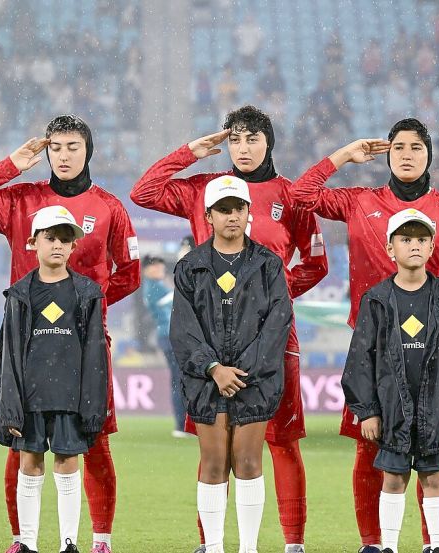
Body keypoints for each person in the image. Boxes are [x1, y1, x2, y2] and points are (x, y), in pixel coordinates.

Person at [131, 105, 326, 553]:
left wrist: (270, 299)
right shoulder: (203, 189)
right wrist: (189, 153)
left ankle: (293, 543)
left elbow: (317, 263)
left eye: (252, 138)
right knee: (213, 450)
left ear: (269, 142)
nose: (242, 148)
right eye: (234, 139)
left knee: (282, 442)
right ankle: (211, 544)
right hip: (209, 341)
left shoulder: (292, 196)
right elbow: (144, 192)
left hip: (273, 339)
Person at [0, 115, 140, 553]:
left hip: (85, 342)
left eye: (73, 147)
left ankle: (101, 540)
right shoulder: (21, 200)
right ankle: (22, 540)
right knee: (19, 442)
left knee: (94, 440)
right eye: (55, 148)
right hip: (26, 341)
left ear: (88, 151)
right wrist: (11, 166)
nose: (63, 156)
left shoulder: (108, 207)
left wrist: (85, 307)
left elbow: (129, 272)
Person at [292, 118, 439, 553]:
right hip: (373, 349)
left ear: (429, 155)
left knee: (432, 452)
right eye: (398, 147)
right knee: (369, 447)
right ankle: (373, 544)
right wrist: (344, 155)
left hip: (428, 352)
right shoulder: (361, 201)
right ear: (387, 155)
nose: (407, 155)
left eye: (416, 147)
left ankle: (433, 543)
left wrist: (434, 312)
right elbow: (301, 195)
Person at [343, 209, 439, 553]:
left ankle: (437, 546)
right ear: (390, 248)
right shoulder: (376, 299)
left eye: (421, 239)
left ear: (432, 247)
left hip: (435, 408)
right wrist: (367, 410)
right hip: (391, 410)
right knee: (393, 478)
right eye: (405, 239)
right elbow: (361, 360)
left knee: (434, 478)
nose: (414, 245)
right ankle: (389, 546)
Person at [169, 176, 293, 553]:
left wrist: (241, 372)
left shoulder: (268, 265)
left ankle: (248, 548)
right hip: (206, 381)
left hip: (255, 379)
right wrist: (213, 368)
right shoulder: (190, 266)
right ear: (208, 216)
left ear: (248, 212)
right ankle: (215, 547)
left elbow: (278, 323)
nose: (232, 216)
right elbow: (183, 329)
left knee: (249, 461)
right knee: (213, 462)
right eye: (223, 210)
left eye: (238, 208)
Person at [0, 206, 109, 553]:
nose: (58, 245)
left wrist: (92, 405)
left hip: (70, 396)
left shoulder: (87, 292)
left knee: (68, 463)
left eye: (65, 239)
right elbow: (8, 354)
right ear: (33, 243)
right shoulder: (19, 294)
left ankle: (68, 542)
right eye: (50, 237)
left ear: (74, 246)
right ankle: (27, 542)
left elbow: (95, 355)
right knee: (29, 463)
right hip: (31, 397)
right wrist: (9, 405)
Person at [141, 255, 188, 438]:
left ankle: (183, 423)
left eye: (160, 265)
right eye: (155, 266)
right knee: (179, 380)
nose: (159, 269)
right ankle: (182, 424)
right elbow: (181, 298)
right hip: (171, 337)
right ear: (146, 270)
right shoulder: (155, 288)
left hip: (168, 337)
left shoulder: (155, 286)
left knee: (179, 379)